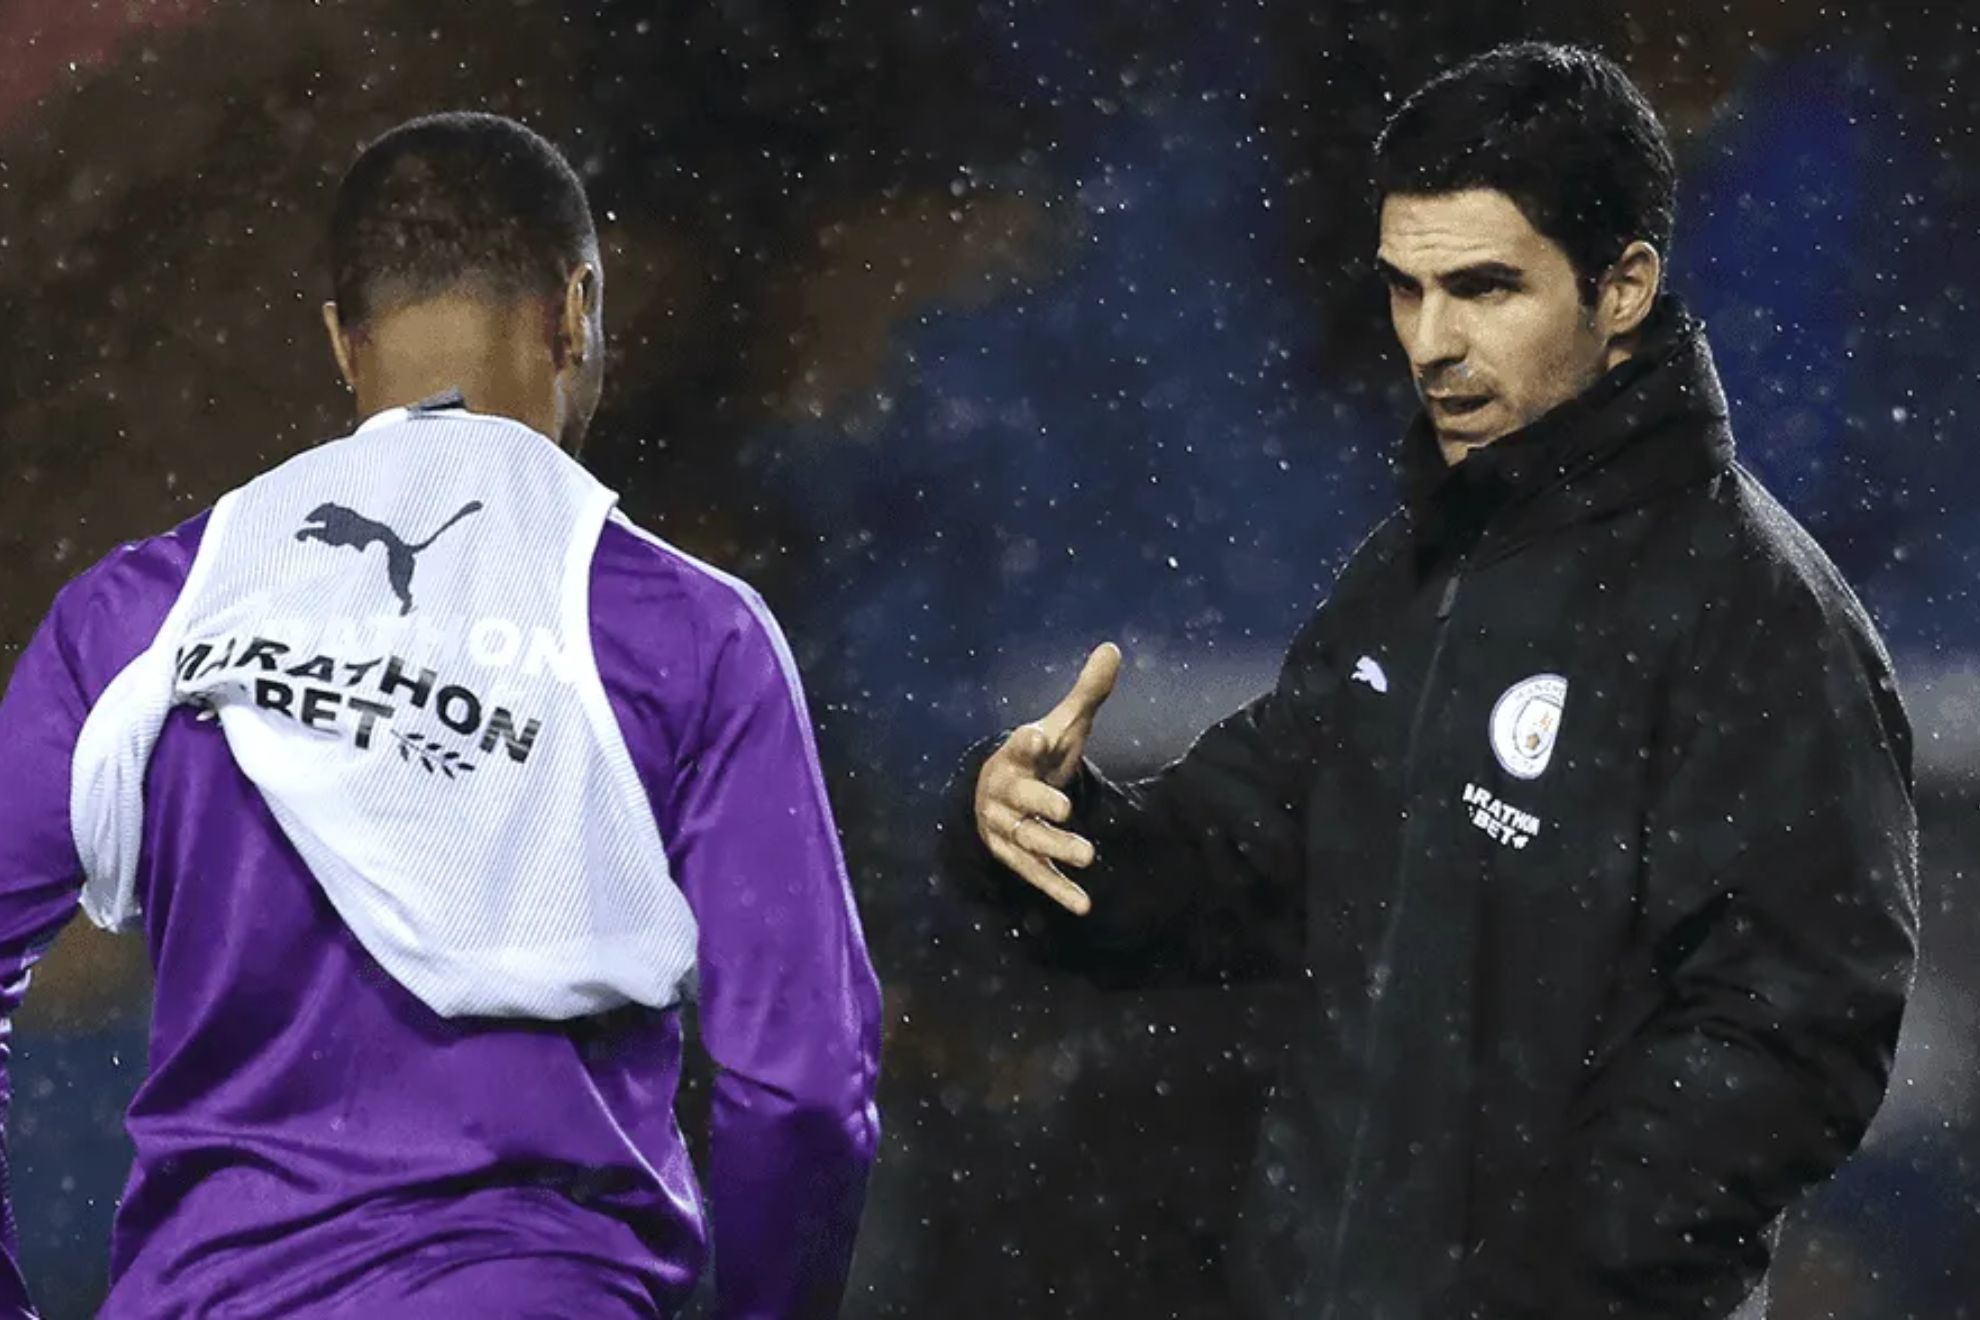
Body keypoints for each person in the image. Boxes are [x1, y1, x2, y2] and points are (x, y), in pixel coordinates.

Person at [950, 42, 1917, 1320]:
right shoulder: (1417, 572)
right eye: (1406, 291)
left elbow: (1795, 1031)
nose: (1432, 343)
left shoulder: (1760, 618)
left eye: (1483, 288)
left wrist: (1546, 1277)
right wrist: (1047, 829)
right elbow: (1250, 851)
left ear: (1624, 285)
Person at [0, 112, 881, 1319]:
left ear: (340, 344)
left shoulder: (138, 619)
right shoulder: (691, 636)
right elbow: (802, 1084)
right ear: (575, 311)